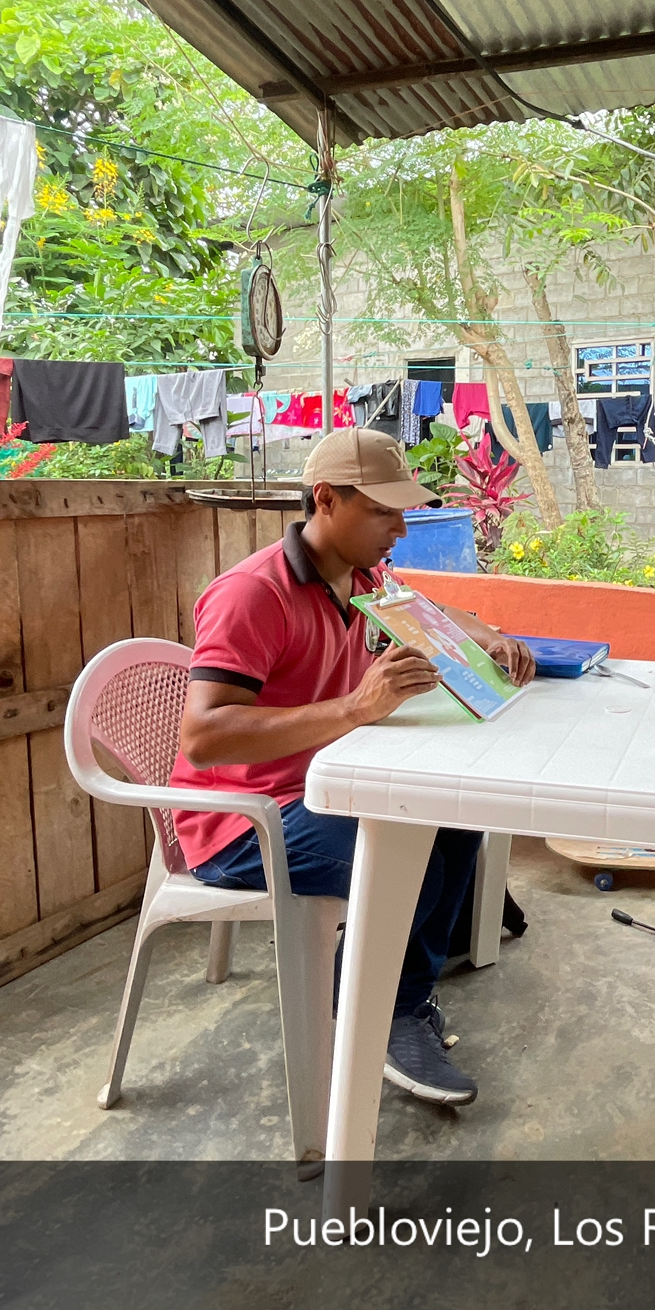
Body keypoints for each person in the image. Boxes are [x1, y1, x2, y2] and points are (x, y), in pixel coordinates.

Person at [172, 427, 535, 1108]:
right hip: (246, 821)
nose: (401, 528)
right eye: (382, 511)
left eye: (402, 511)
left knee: (457, 821)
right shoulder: (252, 594)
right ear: (325, 500)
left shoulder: (365, 578)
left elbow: (429, 611)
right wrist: (355, 708)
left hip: (327, 787)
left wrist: (488, 635)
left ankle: (404, 996)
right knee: (412, 864)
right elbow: (203, 737)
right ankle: (375, 1018)